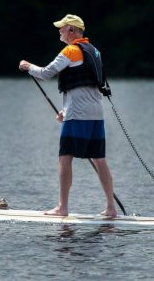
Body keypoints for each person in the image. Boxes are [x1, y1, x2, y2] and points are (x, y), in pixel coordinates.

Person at [19, 14, 117, 218]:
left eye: (62, 28)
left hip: (78, 115)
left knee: (65, 159)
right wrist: (66, 110)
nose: (60, 31)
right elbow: (87, 86)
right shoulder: (94, 51)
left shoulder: (71, 50)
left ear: (72, 30)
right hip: (96, 114)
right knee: (100, 159)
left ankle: (62, 207)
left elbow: (46, 73)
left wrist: (28, 67)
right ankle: (111, 208)